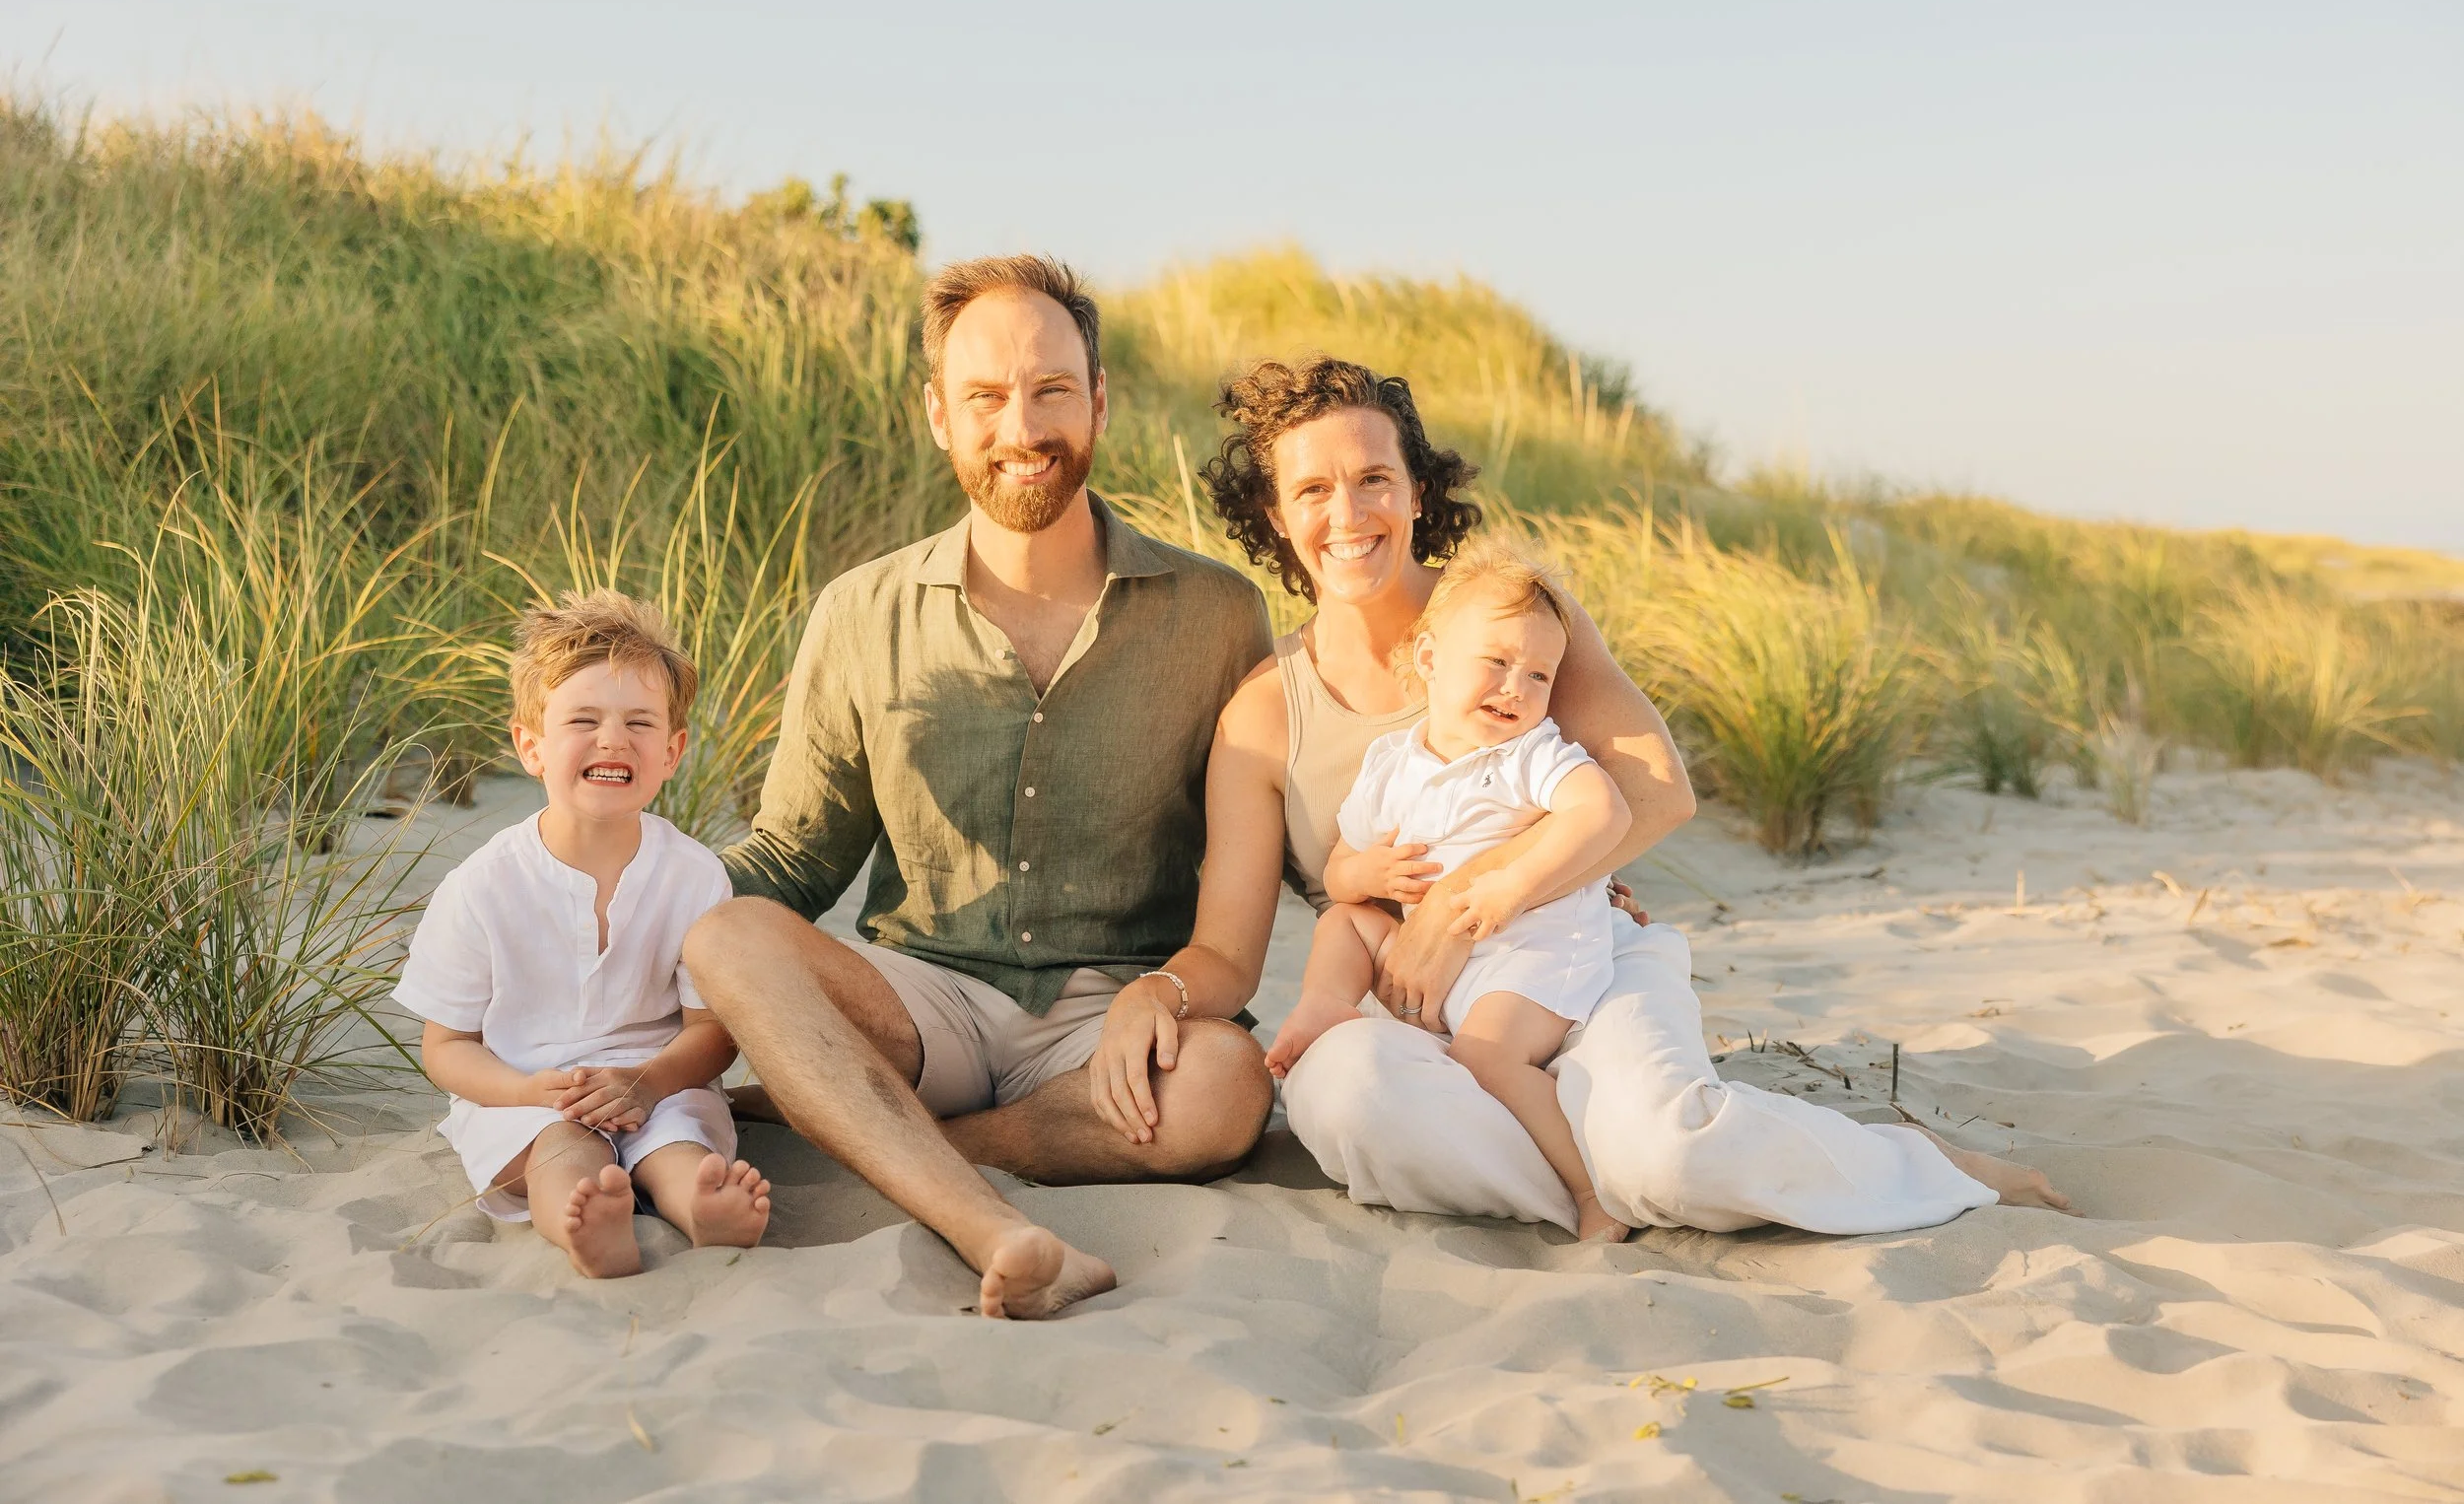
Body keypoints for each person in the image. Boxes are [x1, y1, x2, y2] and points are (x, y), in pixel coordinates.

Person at [1202, 355, 2070, 1235]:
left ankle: (1886, 1163)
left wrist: (1462, 903)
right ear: (1276, 515)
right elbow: (1227, 952)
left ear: (1417, 492)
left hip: (1571, 959)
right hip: (1409, 1013)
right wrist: (1154, 998)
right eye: (1312, 489)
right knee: (1353, 1103)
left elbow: (1656, 794)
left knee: (1668, 1151)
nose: (1347, 514)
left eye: (1374, 478)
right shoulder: (1266, 711)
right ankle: (1614, 1184)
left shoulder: (1512, 618)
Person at [683, 255, 1279, 1321]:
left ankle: (882, 1133)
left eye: (1052, 389)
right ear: (937, 415)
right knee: (729, 937)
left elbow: (1291, 828)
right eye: (986, 397)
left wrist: (1543, 876)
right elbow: (791, 858)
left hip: (1111, 1024)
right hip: (921, 1003)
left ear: (1098, 398)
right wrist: (605, 897)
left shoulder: (1218, 612)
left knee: (1228, 1085)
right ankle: (983, 1215)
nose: (1022, 426)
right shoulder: (859, 611)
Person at [394, 591, 773, 1278]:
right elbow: (445, 1047)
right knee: (563, 1152)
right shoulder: (482, 886)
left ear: (672, 750)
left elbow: (712, 1030)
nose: (613, 739)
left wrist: (647, 1082)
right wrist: (529, 1090)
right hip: (527, 1091)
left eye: (639, 722)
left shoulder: (694, 876)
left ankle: (701, 1206)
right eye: (584, 719)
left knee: (677, 1144)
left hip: (654, 1079)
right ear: (531, 746)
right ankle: (587, 1224)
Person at [1268, 542, 1635, 1240]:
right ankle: (1323, 1005)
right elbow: (1339, 866)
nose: (1516, 689)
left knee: (1486, 1054)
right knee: (1343, 920)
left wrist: (1513, 885)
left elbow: (1605, 811)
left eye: (1538, 674)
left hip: (1530, 956)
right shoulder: (1393, 762)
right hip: (1434, 959)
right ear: (1431, 659)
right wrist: (1367, 876)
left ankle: (1594, 1192)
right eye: (1496, 663)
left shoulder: (1530, 755)